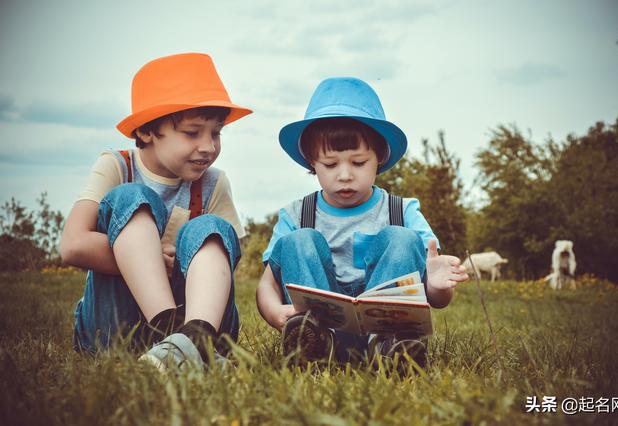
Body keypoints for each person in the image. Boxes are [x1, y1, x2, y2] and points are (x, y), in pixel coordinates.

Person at [255, 77, 468, 366]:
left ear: (379, 157)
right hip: (320, 328)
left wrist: (439, 287)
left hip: (386, 330)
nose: (344, 175)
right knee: (299, 241)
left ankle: (391, 350)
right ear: (311, 161)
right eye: (330, 165)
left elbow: (436, 298)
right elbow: (267, 284)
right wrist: (273, 312)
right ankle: (313, 346)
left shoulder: (402, 211)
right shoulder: (296, 214)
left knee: (402, 238)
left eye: (358, 163)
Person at [60, 53, 252, 370]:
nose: (208, 146)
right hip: (115, 327)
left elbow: (227, 256)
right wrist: (145, 259)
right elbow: (73, 244)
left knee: (210, 228)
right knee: (131, 197)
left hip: (198, 315)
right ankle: (172, 335)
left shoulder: (214, 183)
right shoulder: (117, 166)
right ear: (148, 131)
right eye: (193, 133)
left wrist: (185, 261)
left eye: (216, 133)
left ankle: (196, 338)